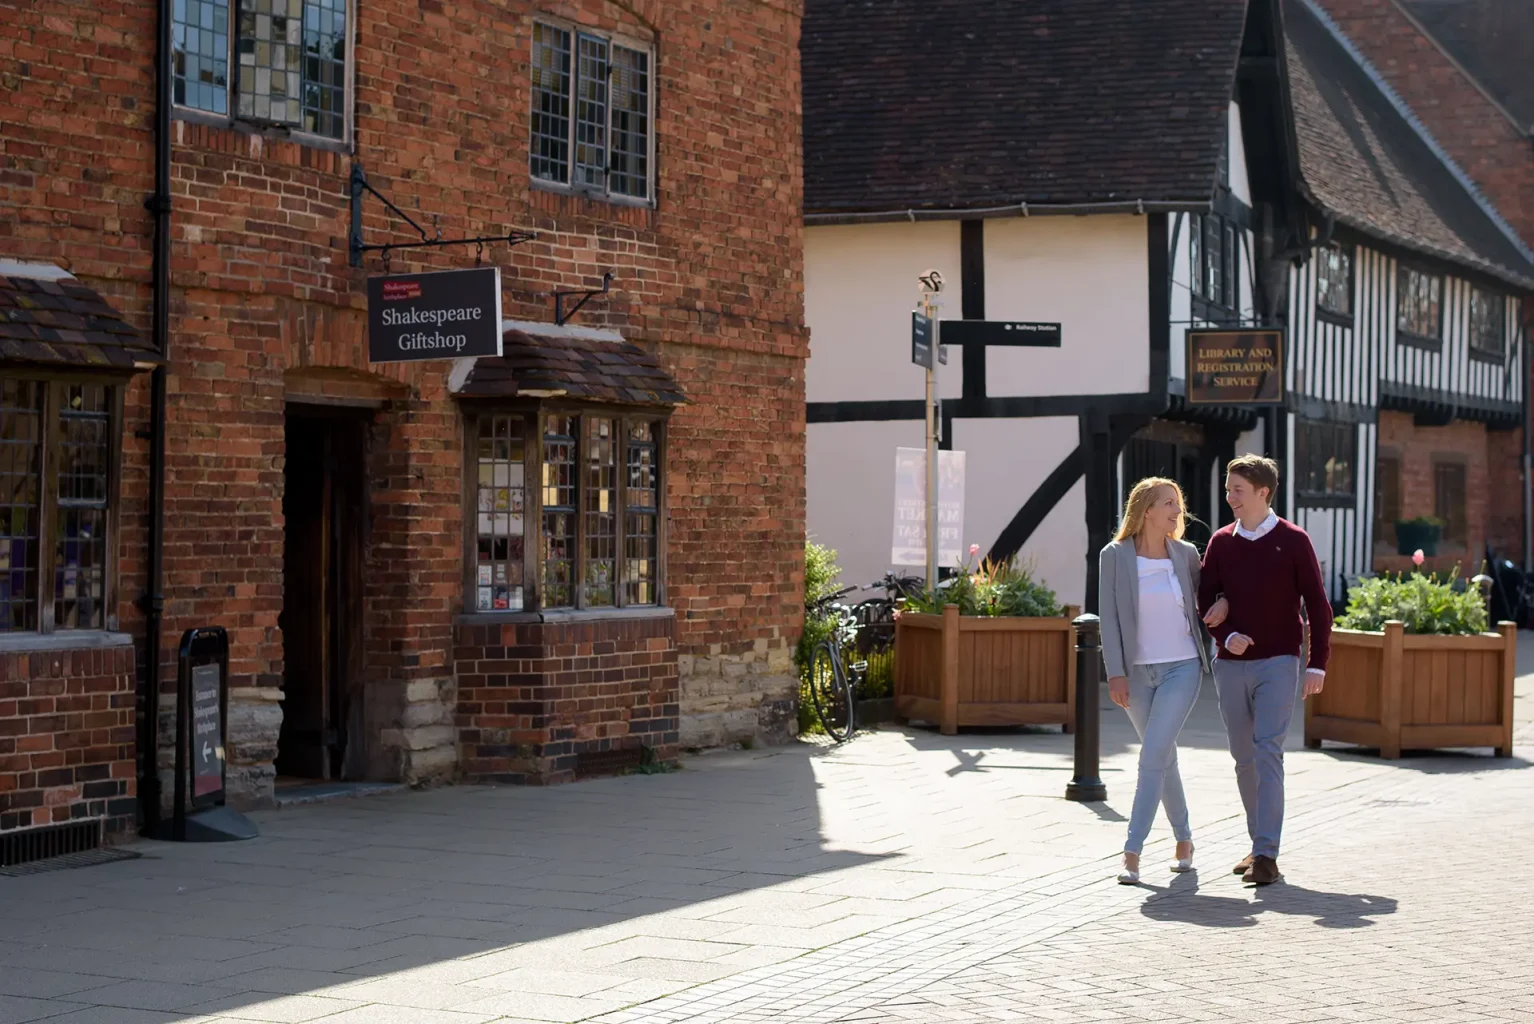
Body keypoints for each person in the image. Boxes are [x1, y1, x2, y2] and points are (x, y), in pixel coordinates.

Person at [1197, 454, 1332, 887]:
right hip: (1230, 666)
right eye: (1228, 489)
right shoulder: (1220, 542)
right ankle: (1258, 842)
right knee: (1243, 758)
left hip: (1279, 662)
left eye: (1237, 489)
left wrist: (1317, 665)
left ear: (1262, 492)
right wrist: (1226, 634)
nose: (1229, 497)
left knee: (1268, 750)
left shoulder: (1293, 540)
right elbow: (1205, 600)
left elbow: (1319, 607)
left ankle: (1267, 855)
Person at [1099, 477, 1216, 884]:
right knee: (1163, 757)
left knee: (1151, 757)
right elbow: (1109, 619)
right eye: (1169, 503)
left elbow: (1208, 602)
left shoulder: (1186, 555)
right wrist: (1115, 672)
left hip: (1182, 667)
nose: (1177, 511)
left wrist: (1227, 611)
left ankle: (1131, 851)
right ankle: (1184, 839)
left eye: (1178, 503)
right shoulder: (1114, 556)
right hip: (1136, 674)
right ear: (1146, 509)